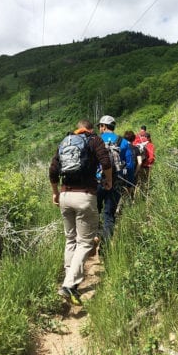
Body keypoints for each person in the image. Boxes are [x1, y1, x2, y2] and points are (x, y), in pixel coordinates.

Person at [49, 119, 112, 305]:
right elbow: (106, 162)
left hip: (65, 196)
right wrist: (108, 181)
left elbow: (53, 171)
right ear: (91, 129)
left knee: (70, 240)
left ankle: (70, 280)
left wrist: (55, 194)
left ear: (77, 129)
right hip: (85, 196)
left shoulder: (65, 141)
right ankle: (68, 285)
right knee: (84, 242)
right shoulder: (94, 140)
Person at [96, 115, 134, 241]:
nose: (99, 129)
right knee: (109, 215)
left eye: (100, 126)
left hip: (97, 182)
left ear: (104, 126)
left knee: (95, 212)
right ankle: (106, 246)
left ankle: (93, 242)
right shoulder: (123, 142)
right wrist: (130, 184)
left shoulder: (95, 140)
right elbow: (129, 165)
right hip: (116, 182)